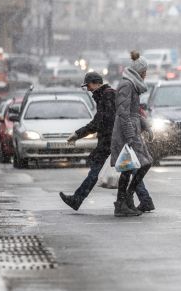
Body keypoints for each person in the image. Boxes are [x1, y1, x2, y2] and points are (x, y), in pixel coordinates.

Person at [59, 72, 116, 210]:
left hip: (109, 142)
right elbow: (100, 121)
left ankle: (76, 200)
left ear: (96, 83)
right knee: (128, 171)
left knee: (98, 172)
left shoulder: (107, 96)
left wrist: (78, 134)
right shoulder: (104, 95)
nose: (88, 89)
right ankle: (143, 200)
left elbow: (101, 122)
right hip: (111, 141)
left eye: (89, 85)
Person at [110, 51, 154, 217]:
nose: (146, 74)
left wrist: (146, 126)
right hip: (126, 132)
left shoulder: (133, 85)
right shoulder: (127, 85)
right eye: (144, 71)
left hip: (132, 130)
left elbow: (134, 112)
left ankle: (125, 200)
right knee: (133, 167)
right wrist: (129, 137)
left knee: (134, 166)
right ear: (138, 71)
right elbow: (123, 113)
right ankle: (123, 201)